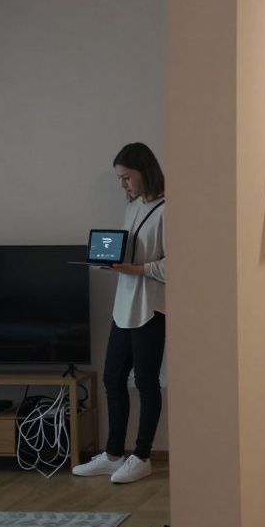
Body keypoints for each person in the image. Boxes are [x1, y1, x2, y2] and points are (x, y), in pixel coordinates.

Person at [73, 142, 167, 485]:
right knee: (113, 378)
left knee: (145, 382)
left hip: (151, 307)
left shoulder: (168, 209)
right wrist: (114, 264)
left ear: (145, 172)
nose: (123, 185)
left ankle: (141, 457)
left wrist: (134, 269)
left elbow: (176, 264)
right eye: (120, 179)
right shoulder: (133, 207)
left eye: (126, 177)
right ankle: (114, 455)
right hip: (124, 305)